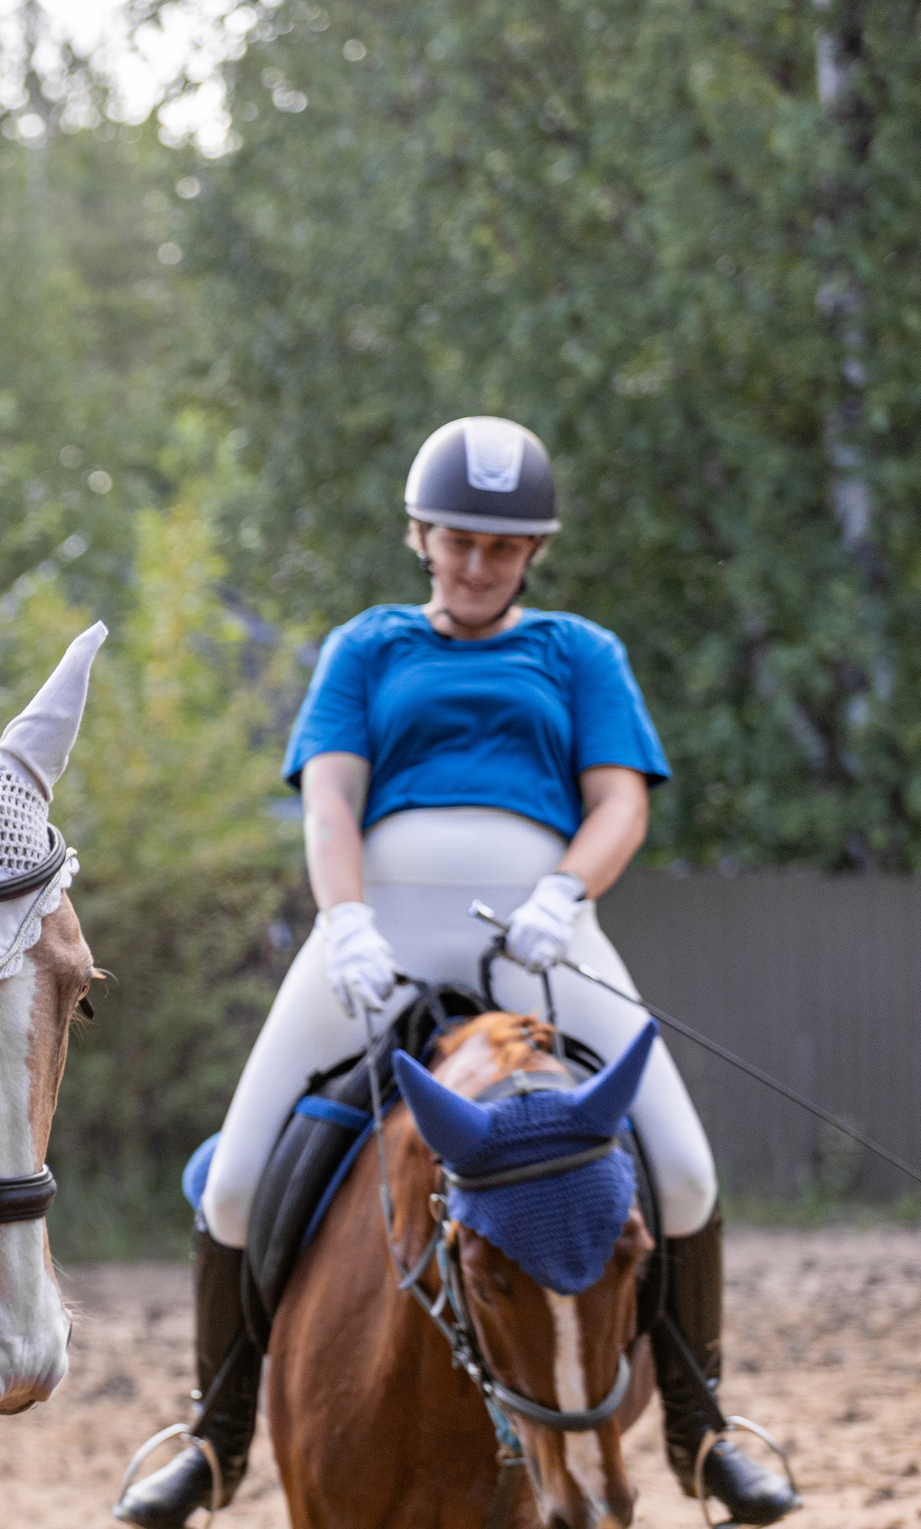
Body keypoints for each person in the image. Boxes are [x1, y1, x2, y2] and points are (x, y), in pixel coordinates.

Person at [112, 417, 799, 1527]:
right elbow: (330, 797)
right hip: (374, 935)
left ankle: (699, 1429)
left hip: (540, 936)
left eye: (504, 547)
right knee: (236, 1181)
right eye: (459, 541)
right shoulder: (369, 647)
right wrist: (343, 922)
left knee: (681, 1174)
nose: (478, 565)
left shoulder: (578, 652)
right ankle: (213, 1434)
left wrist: (566, 894)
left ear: (533, 553)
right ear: (420, 536)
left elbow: (620, 798)